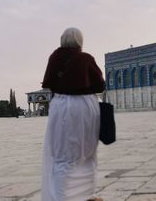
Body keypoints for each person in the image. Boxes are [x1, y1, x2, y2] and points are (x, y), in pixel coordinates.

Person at [40, 28, 105, 201]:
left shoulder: (55, 57)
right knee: (88, 152)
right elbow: (100, 85)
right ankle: (87, 195)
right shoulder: (86, 59)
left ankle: (63, 197)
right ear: (79, 41)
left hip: (62, 107)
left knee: (63, 156)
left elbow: (47, 82)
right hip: (86, 107)